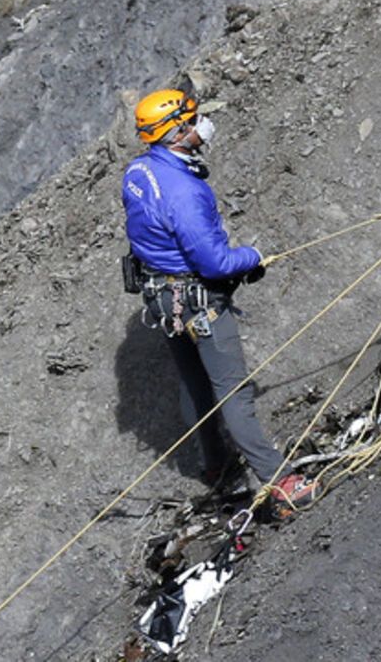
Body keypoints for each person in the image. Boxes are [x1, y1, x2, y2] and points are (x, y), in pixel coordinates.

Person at [121, 88, 314, 512]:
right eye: (193, 120)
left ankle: (215, 466)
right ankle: (281, 482)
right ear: (176, 132)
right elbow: (214, 262)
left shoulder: (138, 172)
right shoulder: (185, 194)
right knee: (233, 394)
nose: (202, 125)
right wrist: (253, 257)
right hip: (199, 300)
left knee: (194, 383)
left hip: (163, 298)